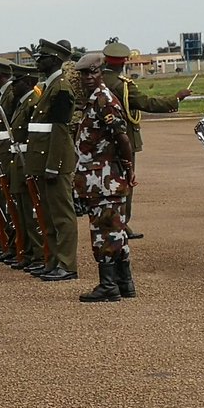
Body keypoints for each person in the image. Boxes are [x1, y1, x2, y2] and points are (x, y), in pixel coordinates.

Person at [100, 41, 189, 237]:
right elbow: (146, 103)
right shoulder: (121, 85)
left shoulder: (98, 82)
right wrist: (176, 99)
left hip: (100, 141)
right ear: (123, 62)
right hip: (123, 140)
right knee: (125, 182)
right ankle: (121, 225)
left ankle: (109, 222)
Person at [72, 53, 136, 302]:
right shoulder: (95, 99)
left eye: (93, 73)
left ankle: (108, 286)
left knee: (104, 233)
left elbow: (122, 137)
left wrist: (128, 167)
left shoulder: (103, 100)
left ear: (102, 73)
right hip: (99, 178)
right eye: (83, 74)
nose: (88, 78)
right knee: (115, 231)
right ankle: (124, 282)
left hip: (103, 178)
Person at [24, 38, 78, 282]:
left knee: (62, 215)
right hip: (42, 159)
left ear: (55, 60)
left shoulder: (61, 88)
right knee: (47, 214)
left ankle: (67, 264)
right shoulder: (47, 86)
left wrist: (52, 166)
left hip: (54, 161)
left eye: (42, 57)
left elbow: (59, 130)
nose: (38, 60)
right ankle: (53, 260)